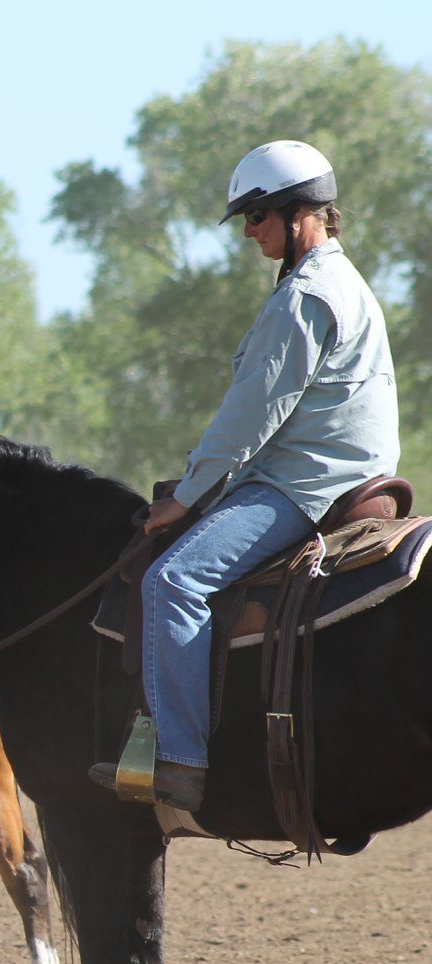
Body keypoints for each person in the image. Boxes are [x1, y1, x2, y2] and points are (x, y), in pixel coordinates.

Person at [95, 140, 398, 811]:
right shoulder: (342, 285)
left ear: (299, 216)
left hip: (300, 485)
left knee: (175, 578)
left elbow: (253, 412)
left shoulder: (305, 296)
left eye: (256, 217)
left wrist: (191, 494)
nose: (249, 231)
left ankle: (178, 759)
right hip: (330, 472)